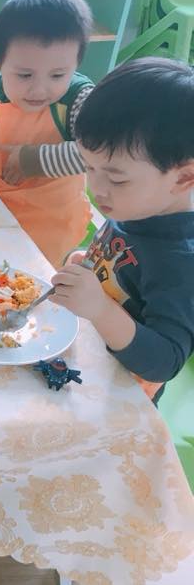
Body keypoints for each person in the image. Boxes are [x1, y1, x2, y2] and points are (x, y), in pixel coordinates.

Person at [51, 58, 194, 400]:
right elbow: (123, 267)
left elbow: (164, 362)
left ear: (184, 177)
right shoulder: (137, 205)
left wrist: (100, 308)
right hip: (88, 364)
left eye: (116, 179)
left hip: (123, 400)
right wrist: (86, 262)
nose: (97, 188)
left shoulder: (180, 261)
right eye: (89, 168)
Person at [0, 0, 95, 266]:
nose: (39, 89)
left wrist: (34, 160)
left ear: (76, 63)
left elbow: (100, 153)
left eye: (57, 75)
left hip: (51, 228)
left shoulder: (79, 98)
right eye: (25, 75)